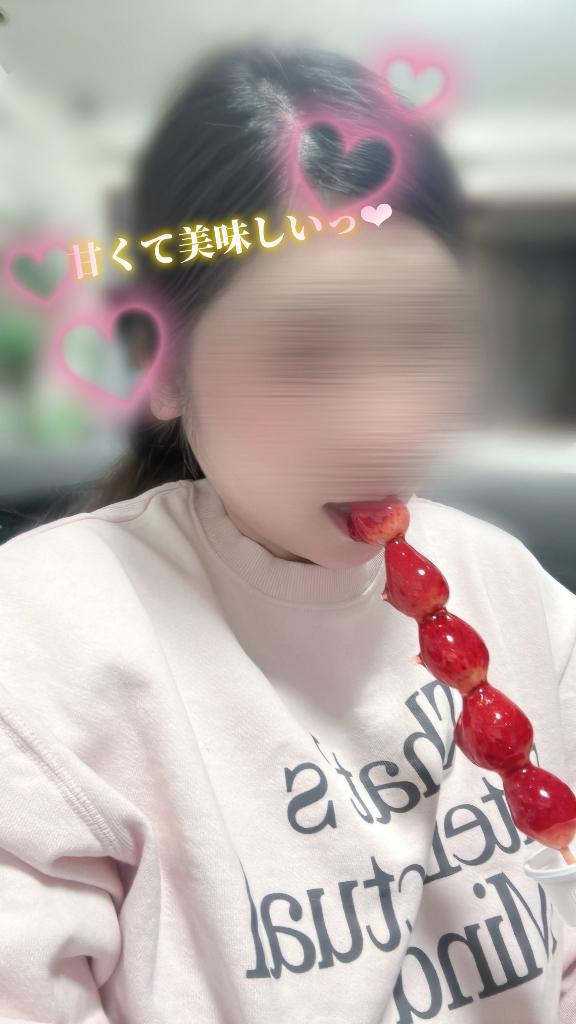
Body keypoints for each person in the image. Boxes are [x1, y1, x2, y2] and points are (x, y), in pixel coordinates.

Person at [0, 43, 575, 1024]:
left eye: (425, 337)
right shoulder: (44, 646)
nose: (385, 426)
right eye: (305, 352)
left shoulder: (505, 583)